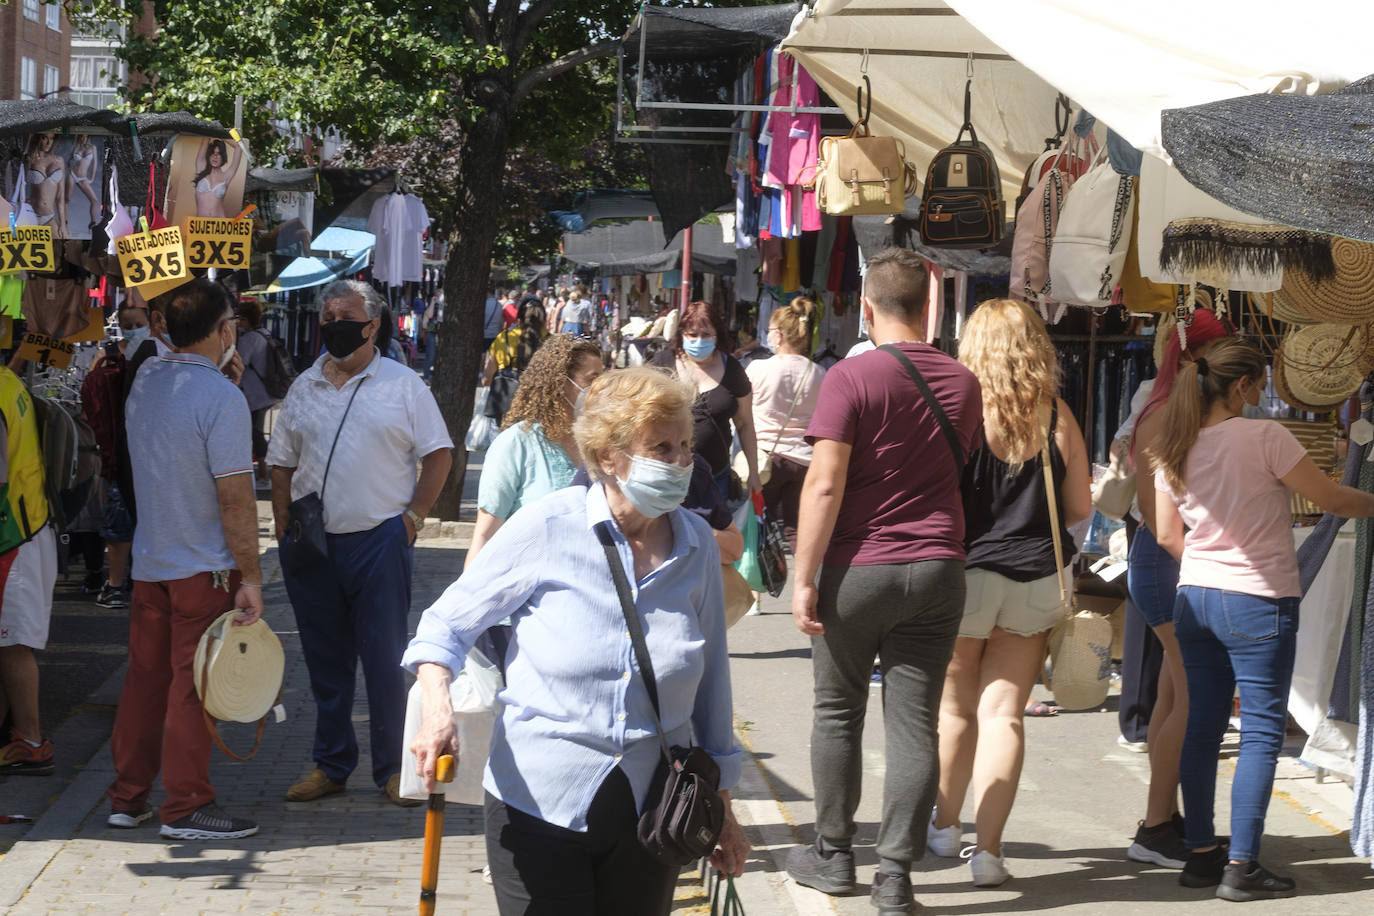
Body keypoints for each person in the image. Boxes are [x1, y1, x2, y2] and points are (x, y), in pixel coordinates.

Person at [404, 367, 748, 913]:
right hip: (539, 798)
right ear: (608, 456)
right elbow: (443, 626)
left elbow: (713, 681)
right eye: (662, 446)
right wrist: (438, 712)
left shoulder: (697, 543)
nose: (682, 462)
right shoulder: (546, 527)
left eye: (685, 446)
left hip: (655, 804)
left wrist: (722, 806)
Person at [783, 248, 982, 914]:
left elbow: (826, 481)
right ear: (930, 308)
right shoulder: (962, 382)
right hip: (939, 567)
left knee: (838, 712)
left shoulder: (850, 378)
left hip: (858, 567)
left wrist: (803, 575)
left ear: (865, 307)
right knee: (915, 723)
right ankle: (895, 875)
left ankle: (834, 854)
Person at [1149, 339, 1374, 900]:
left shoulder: (1172, 444)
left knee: (1203, 726)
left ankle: (1203, 855)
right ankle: (1242, 865)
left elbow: (1166, 535)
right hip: (1258, 597)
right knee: (1261, 733)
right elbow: (1333, 499)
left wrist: (1211, 566)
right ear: (1245, 387)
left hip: (1195, 594)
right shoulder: (1266, 436)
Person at [267, 279, 453, 808]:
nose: (332, 324)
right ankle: (331, 764)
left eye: (344, 315)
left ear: (372, 326)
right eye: (327, 315)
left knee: (384, 659)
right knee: (325, 661)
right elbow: (281, 464)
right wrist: (284, 527)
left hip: (379, 540)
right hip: (314, 544)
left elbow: (439, 453)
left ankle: (394, 769)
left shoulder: (404, 385)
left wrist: (413, 517)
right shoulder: (305, 385)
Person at [929, 299, 1092, 886]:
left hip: (965, 576)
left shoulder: (958, 414)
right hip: (1036, 578)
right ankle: (990, 853)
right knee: (1005, 714)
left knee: (953, 708)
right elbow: (1079, 510)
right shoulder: (1057, 416)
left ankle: (944, 827)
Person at [105, 278, 265, 838]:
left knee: (145, 684)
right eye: (233, 326)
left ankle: (128, 797)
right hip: (204, 567)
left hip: (153, 562)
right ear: (224, 331)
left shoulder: (147, 378)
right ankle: (185, 806)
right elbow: (235, 498)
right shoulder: (220, 398)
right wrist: (252, 575)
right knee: (191, 688)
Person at [1126, 308, 1233, 869]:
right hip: (1171, 563)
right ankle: (1156, 827)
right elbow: (1159, 516)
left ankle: (1161, 818)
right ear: (1196, 357)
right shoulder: (1170, 413)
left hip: (1165, 560)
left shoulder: (1165, 408)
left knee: (1174, 697)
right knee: (1190, 700)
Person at [466, 335, 604, 566]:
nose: (600, 389)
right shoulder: (517, 443)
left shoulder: (601, 444)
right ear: (561, 383)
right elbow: (485, 534)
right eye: (593, 379)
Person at [0, 365, 58, 776]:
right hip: (28, 525)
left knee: (14, 644)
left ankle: (33, 742)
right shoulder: (6, 380)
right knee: (7, 644)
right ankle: (20, 738)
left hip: (13, 534)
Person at [650, 301, 762, 500]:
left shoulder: (733, 370)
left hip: (715, 478)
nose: (699, 341)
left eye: (706, 334)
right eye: (692, 334)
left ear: (717, 335)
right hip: (667, 476)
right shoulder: (662, 364)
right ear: (682, 333)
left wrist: (754, 472)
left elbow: (745, 424)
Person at [83, 304, 150, 610]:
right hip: (117, 450)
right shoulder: (109, 354)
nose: (135, 328)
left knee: (139, 517)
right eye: (130, 323)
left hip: (146, 450)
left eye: (139, 322)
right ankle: (115, 584)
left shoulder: (157, 352)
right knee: (119, 520)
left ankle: (136, 578)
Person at [747, 298, 825, 552]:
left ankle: (759, 585)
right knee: (797, 529)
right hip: (805, 460)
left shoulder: (759, 369)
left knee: (759, 527)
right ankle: (806, 583)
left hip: (767, 459)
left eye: (770, 332)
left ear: (778, 335)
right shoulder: (819, 373)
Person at [235, 298, 279, 484]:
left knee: (255, 432)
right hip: (267, 392)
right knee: (257, 431)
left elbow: (240, 364)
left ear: (247, 320)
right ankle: (263, 471)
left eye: (240, 319)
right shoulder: (265, 333)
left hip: (255, 395)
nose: (237, 322)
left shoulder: (249, 339)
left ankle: (263, 473)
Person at [481, 300, 547, 386]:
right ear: (544, 320)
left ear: (518, 320)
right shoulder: (554, 342)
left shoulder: (503, 338)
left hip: (508, 396)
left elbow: (486, 380)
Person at [24, 132, 67, 237]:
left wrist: (63, 224)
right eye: (44, 138)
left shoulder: (59, 161)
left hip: (48, 216)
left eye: (51, 139)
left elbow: (60, 197)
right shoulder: (30, 160)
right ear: (38, 138)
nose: (48, 142)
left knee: (56, 249)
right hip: (30, 215)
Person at [192, 138, 244, 219]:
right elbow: (206, 138)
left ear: (223, 157)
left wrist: (221, 135)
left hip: (220, 225)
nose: (215, 157)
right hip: (200, 225)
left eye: (218, 154)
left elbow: (239, 147)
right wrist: (215, 131)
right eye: (212, 153)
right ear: (209, 155)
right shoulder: (201, 167)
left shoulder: (227, 175)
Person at [482, 287, 504, 352]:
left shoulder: (484, 304)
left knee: (483, 353)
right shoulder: (499, 305)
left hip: (485, 334)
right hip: (495, 334)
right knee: (493, 354)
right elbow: (501, 323)